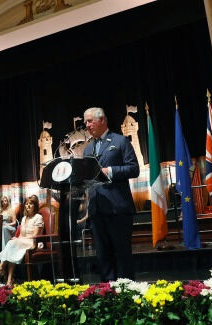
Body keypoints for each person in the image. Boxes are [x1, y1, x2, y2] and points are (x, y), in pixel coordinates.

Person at [82, 107, 139, 281]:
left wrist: (111, 171)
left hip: (117, 208)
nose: (87, 125)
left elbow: (134, 169)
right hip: (96, 209)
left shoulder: (120, 141)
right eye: (85, 122)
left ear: (102, 120)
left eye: (90, 121)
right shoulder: (87, 149)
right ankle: (107, 293)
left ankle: (126, 291)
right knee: (103, 256)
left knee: (122, 254)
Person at [0, 195, 44, 286]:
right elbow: (21, 234)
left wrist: (18, 240)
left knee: (12, 243)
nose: (28, 206)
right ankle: (9, 281)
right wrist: (17, 239)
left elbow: (35, 235)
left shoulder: (38, 217)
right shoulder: (24, 218)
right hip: (23, 242)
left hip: (34, 242)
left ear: (35, 206)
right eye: (26, 204)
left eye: (31, 204)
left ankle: (1, 268)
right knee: (12, 246)